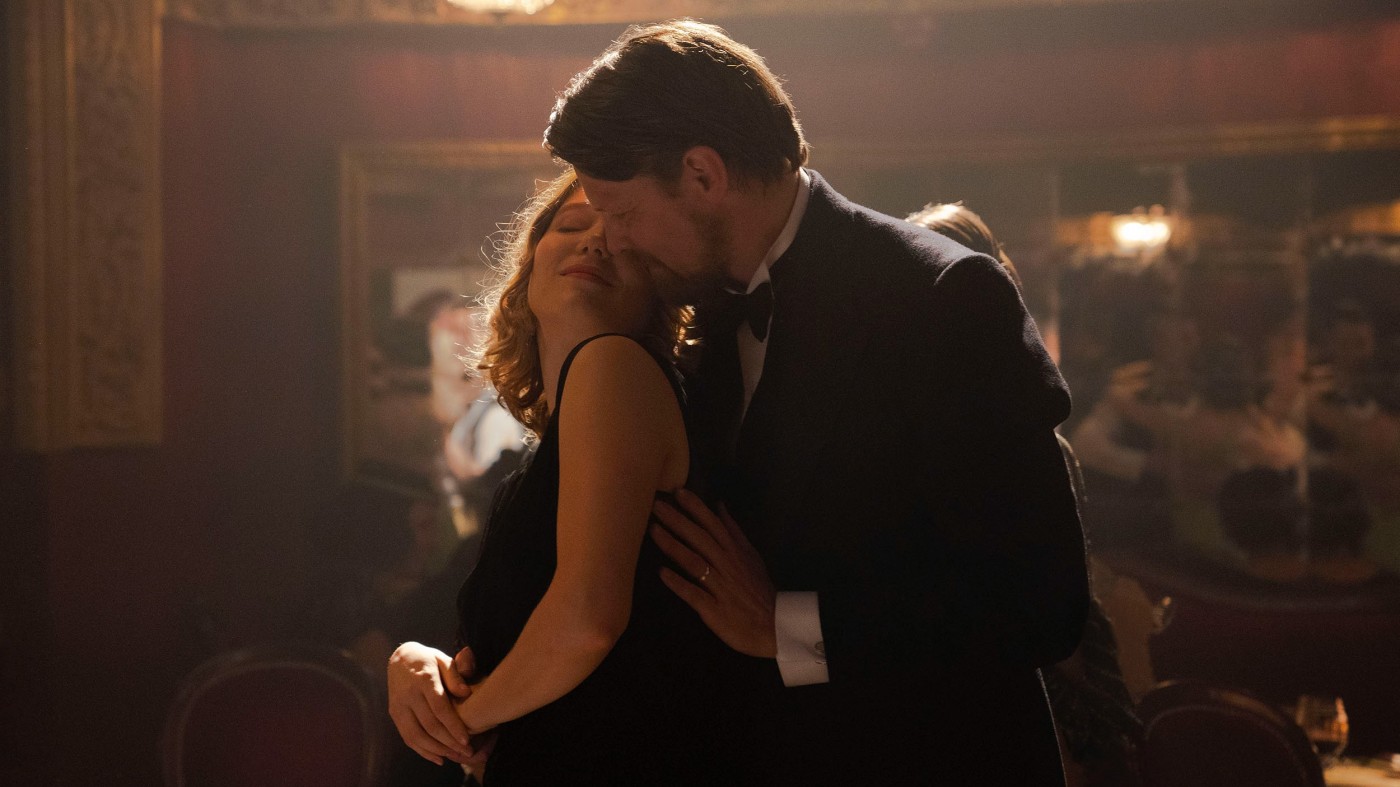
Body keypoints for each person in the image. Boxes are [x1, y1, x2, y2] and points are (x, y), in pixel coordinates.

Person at [391, 20, 1088, 784]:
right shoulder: (705, 321)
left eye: (622, 212)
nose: (613, 240)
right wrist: (423, 660)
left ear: (702, 175)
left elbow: (1043, 601)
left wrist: (791, 626)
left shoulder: (942, 295)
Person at [390, 169, 729, 785]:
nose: (596, 241)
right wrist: (415, 659)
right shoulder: (555, 438)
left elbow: (586, 621)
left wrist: (463, 723)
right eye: (572, 225)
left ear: (660, 290)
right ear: (528, 268)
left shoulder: (614, 363)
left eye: (623, 238)